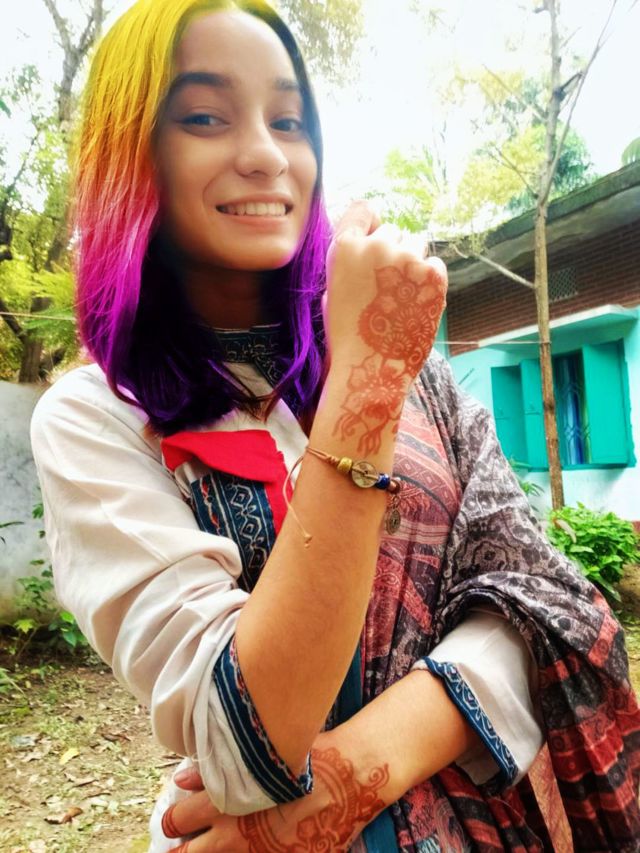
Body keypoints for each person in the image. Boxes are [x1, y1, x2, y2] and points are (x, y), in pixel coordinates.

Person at [30, 1, 640, 850]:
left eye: (289, 120)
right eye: (205, 117)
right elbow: (250, 743)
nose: (265, 154)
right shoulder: (96, 420)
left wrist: (349, 778)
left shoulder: (413, 368)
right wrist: (368, 377)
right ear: (132, 156)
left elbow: (549, 603)